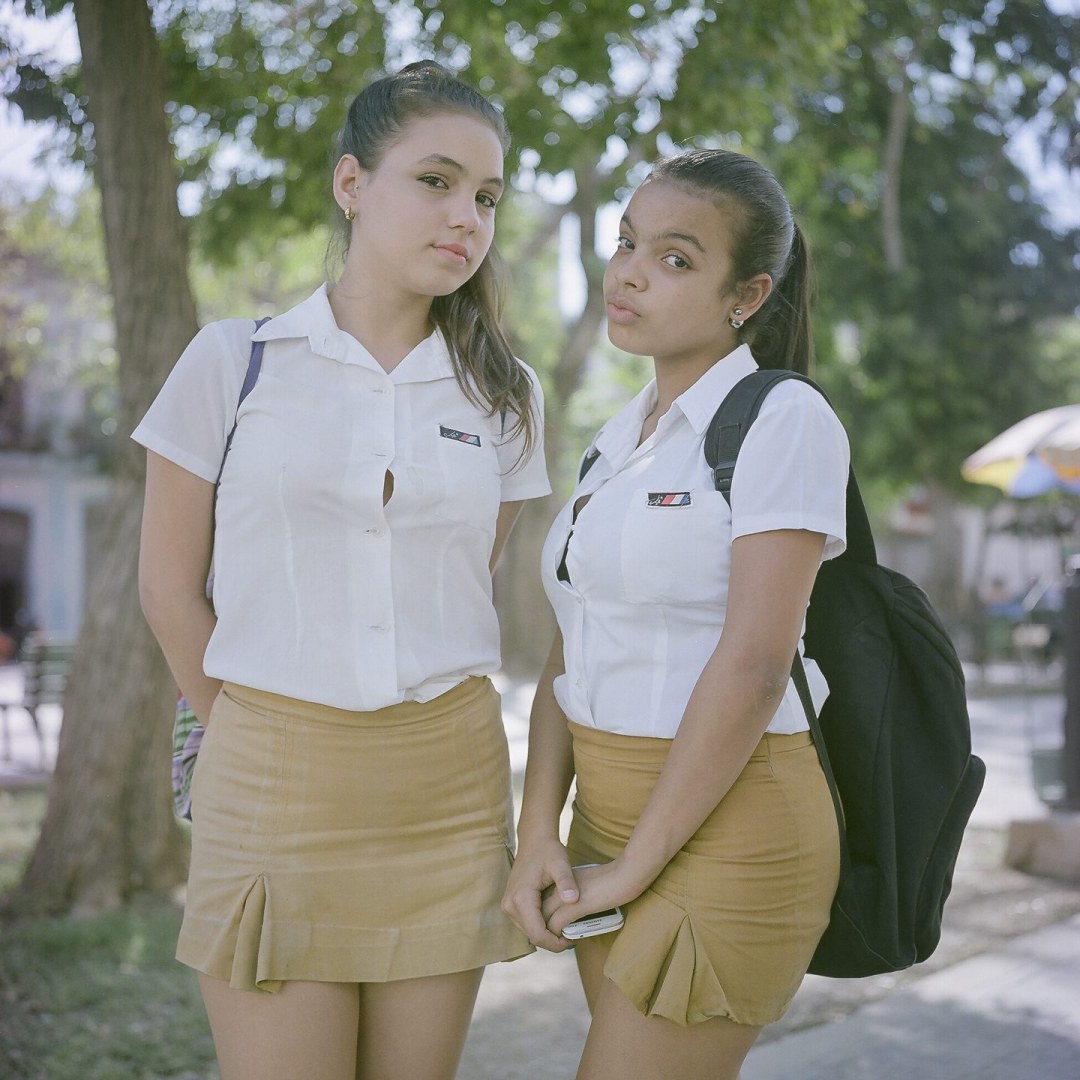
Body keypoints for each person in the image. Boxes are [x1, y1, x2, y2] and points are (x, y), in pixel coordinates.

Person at [135, 61, 549, 1080]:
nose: (466, 217)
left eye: (487, 197)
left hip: (447, 790)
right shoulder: (234, 361)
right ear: (352, 183)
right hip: (271, 778)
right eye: (437, 181)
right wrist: (253, 732)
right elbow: (167, 589)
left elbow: (461, 581)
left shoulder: (507, 395)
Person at [502, 147, 850, 1080]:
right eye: (627, 242)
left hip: (732, 825)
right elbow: (569, 651)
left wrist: (635, 866)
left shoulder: (783, 418)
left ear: (748, 294)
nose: (628, 272)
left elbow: (755, 664)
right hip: (605, 821)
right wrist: (539, 832)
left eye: (675, 258)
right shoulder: (617, 442)